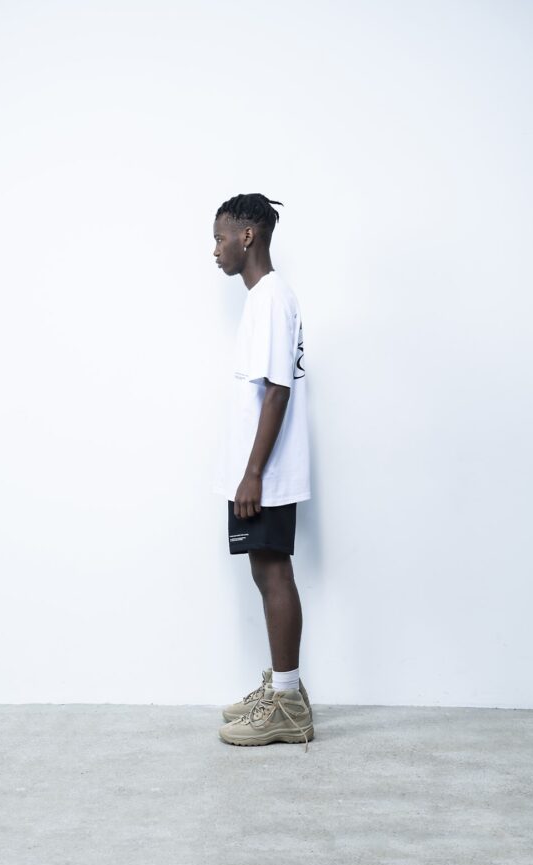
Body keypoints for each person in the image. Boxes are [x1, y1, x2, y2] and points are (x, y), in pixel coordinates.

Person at [212, 193, 314, 749]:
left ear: (247, 236)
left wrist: (252, 473)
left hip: (265, 472)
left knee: (274, 574)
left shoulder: (271, 297)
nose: (216, 250)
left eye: (220, 237)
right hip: (258, 470)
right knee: (265, 571)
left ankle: (288, 706)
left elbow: (277, 390)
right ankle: (281, 689)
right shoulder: (264, 298)